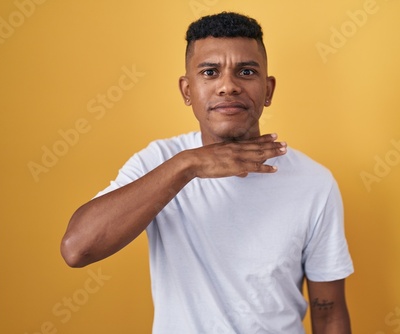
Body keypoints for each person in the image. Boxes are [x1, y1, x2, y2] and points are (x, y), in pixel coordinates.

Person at [61, 12, 354, 333]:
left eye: (246, 71)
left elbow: (328, 312)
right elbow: (78, 249)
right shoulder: (159, 161)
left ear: (268, 90)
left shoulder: (314, 182)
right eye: (210, 72)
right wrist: (188, 165)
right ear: (187, 90)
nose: (228, 86)